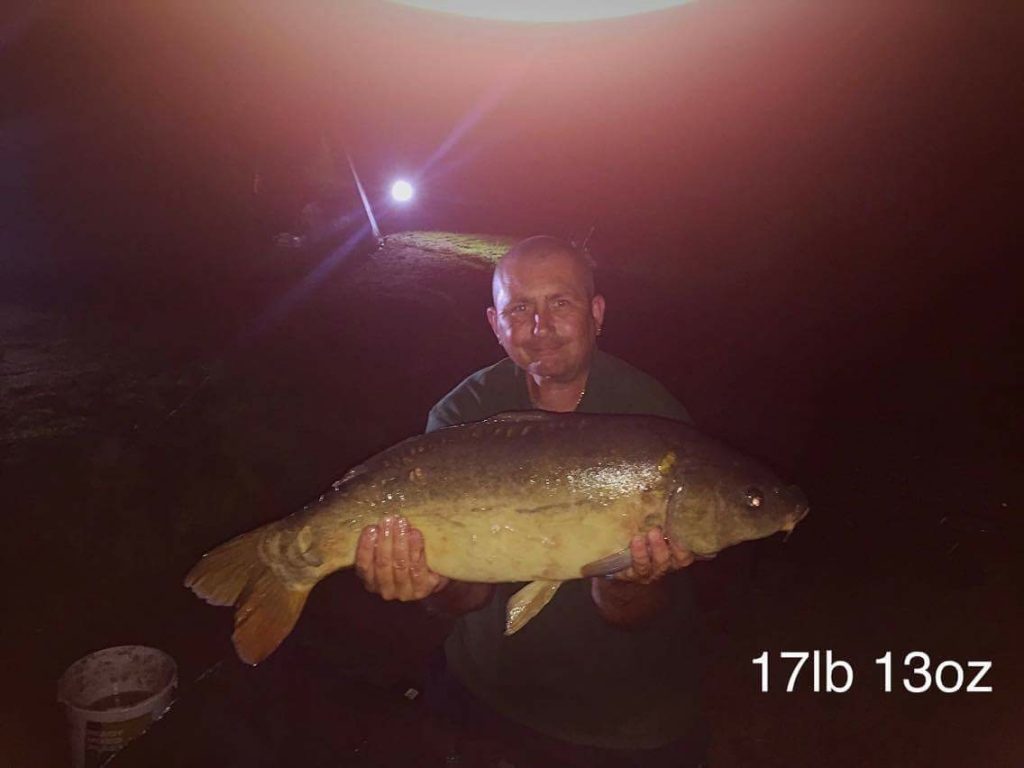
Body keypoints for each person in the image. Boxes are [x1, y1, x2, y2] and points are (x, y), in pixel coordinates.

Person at [354, 236, 708, 767]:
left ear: (596, 313)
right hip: (486, 692)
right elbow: (463, 598)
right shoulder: (463, 414)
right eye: (521, 308)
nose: (539, 326)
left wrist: (625, 582)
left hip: (618, 716)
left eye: (559, 303)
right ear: (496, 324)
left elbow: (635, 615)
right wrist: (430, 580)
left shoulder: (654, 423)